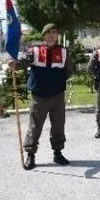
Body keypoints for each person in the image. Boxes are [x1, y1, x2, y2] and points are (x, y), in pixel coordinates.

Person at [10, 23, 73, 170]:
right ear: (43, 35)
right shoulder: (34, 51)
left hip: (57, 95)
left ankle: (57, 153)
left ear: (57, 35)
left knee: (58, 126)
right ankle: (30, 155)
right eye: (49, 32)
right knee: (35, 126)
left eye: (54, 32)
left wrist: (57, 81)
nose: (52, 35)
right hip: (39, 96)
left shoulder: (63, 51)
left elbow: (69, 70)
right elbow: (23, 62)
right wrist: (15, 64)